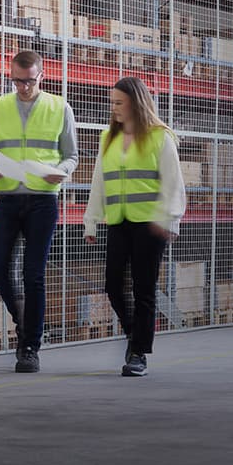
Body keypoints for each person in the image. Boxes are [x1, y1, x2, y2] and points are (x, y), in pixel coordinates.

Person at [0, 49, 80, 373]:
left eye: (28, 81)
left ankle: (30, 347)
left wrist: (61, 172)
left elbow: (72, 155)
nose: (22, 87)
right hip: (8, 198)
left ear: (42, 75)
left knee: (33, 274)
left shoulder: (59, 107)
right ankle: (22, 317)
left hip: (42, 200)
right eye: (16, 81)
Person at [83, 77, 186, 378]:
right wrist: (91, 220)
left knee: (144, 289)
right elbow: (99, 182)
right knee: (113, 286)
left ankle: (139, 353)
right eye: (112, 102)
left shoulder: (159, 137)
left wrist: (171, 220)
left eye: (119, 102)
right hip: (118, 221)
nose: (113, 107)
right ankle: (134, 334)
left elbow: (173, 182)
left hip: (150, 224)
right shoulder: (108, 138)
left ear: (135, 103)